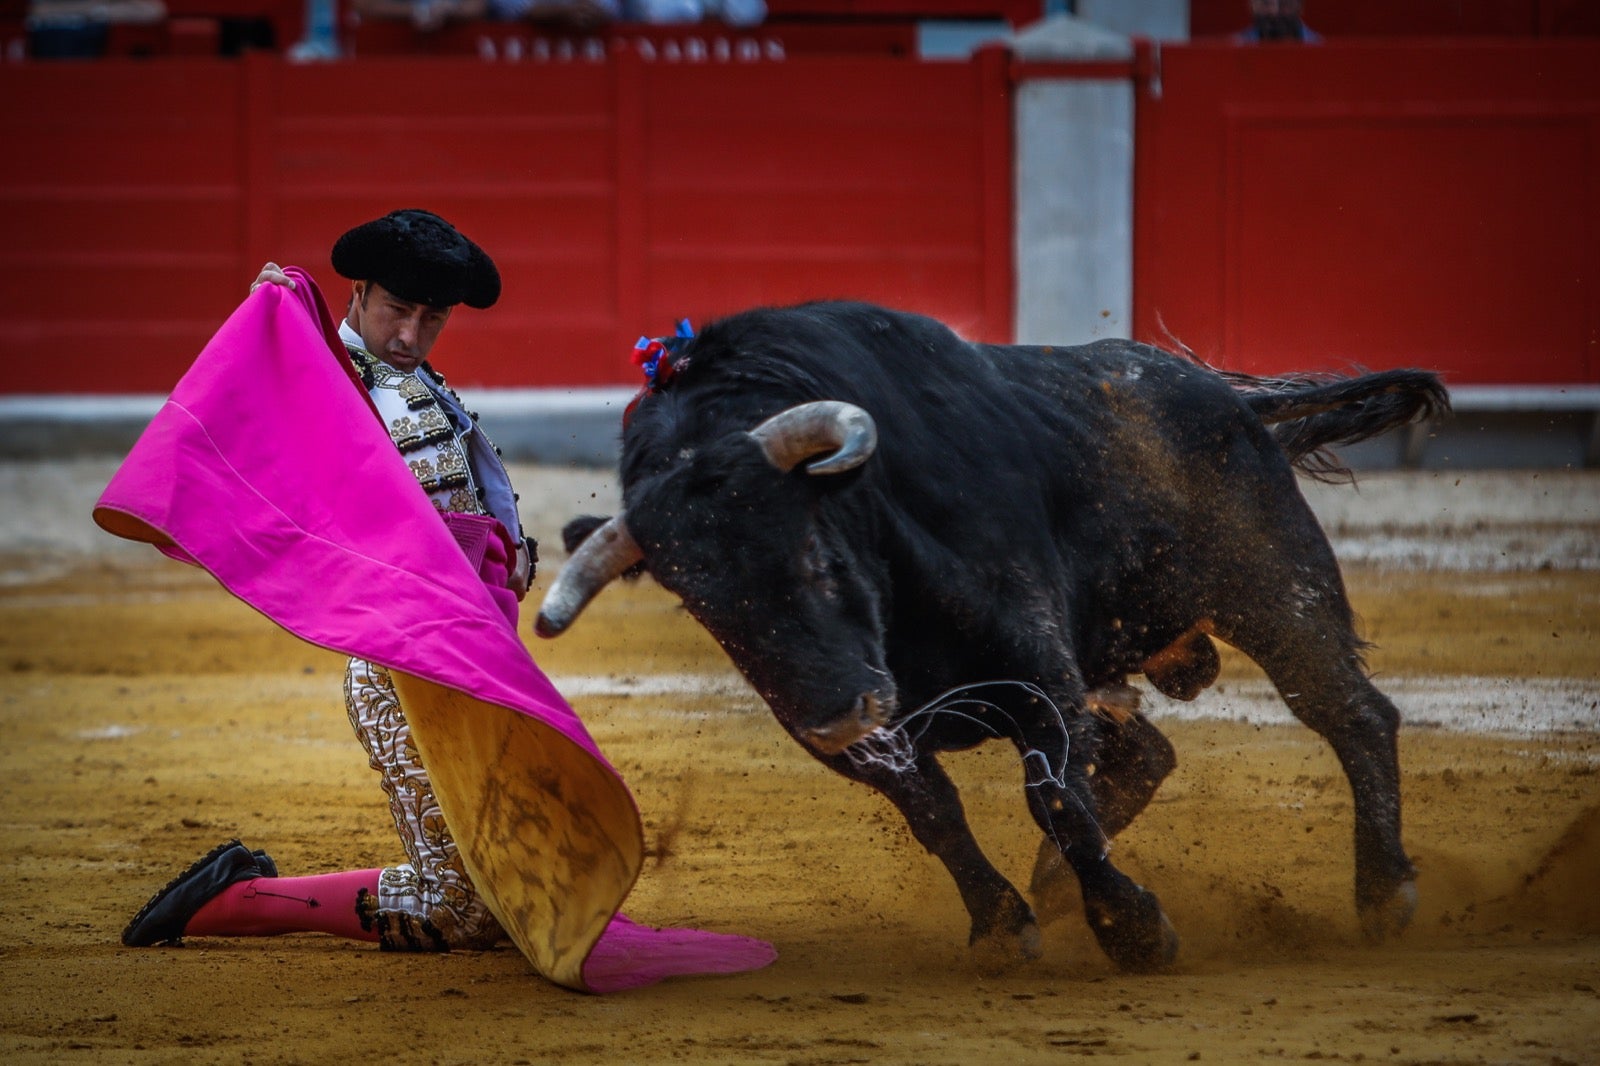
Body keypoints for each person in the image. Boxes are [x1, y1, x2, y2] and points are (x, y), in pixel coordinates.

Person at [123, 209, 539, 953]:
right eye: (396, 311)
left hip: (471, 653)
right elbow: (251, 405)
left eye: (431, 318)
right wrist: (269, 326)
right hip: (397, 668)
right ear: (357, 291)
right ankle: (235, 899)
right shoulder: (320, 374)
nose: (411, 335)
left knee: (513, 895)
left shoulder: (420, 383)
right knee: (463, 914)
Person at [1234, 0, 1321, 43]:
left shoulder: (1321, 48)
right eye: (1266, 3)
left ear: (1301, 6)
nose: (1275, 12)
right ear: (1252, 6)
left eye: (1285, 3)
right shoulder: (1235, 47)